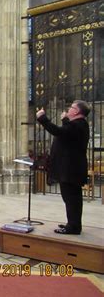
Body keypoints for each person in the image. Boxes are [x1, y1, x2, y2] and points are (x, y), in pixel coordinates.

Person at [36, 100, 90, 235]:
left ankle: (73, 227)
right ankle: (73, 224)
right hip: (71, 169)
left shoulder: (78, 126)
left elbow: (58, 131)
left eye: (71, 107)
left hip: (70, 170)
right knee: (71, 198)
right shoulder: (77, 125)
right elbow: (67, 132)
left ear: (76, 111)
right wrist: (66, 119)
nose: (69, 109)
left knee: (71, 198)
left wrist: (43, 118)